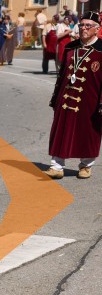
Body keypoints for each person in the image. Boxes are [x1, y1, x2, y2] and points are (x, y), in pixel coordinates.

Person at [44, 11, 102, 180]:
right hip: (66, 96)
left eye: (88, 25)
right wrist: (56, 97)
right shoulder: (70, 47)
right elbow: (61, 74)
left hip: (91, 99)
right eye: (82, 25)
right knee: (61, 129)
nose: (84, 28)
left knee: (88, 132)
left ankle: (86, 165)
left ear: (97, 29)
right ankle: (57, 165)